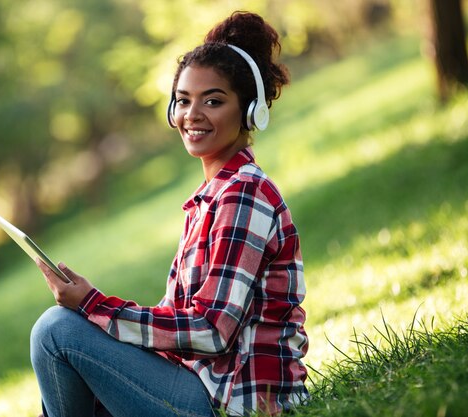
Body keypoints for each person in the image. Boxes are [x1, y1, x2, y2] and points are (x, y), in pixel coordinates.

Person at [30, 11, 308, 417]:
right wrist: (98, 320)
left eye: (213, 100)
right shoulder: (213, 196)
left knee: (55, 331)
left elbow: (212, 331)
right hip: (197, 387)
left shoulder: (244, 194)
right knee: (74, 363)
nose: (192, 114)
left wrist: (94, 305)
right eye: (183, 100)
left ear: (250, 111)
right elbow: (179, 321)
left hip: (232, 405)